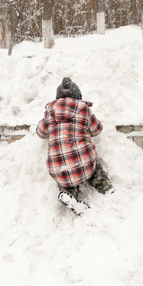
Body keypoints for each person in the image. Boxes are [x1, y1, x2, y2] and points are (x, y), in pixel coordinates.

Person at [36, 77, 113, 215]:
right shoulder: (84, 109)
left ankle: (70, 193)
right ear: (78, 96)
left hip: (59, 170)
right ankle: (102, 183)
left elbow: (40, 133)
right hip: (85, 165)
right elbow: (97, 129)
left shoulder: (49, 113)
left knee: (65, 177)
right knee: (92, 164)